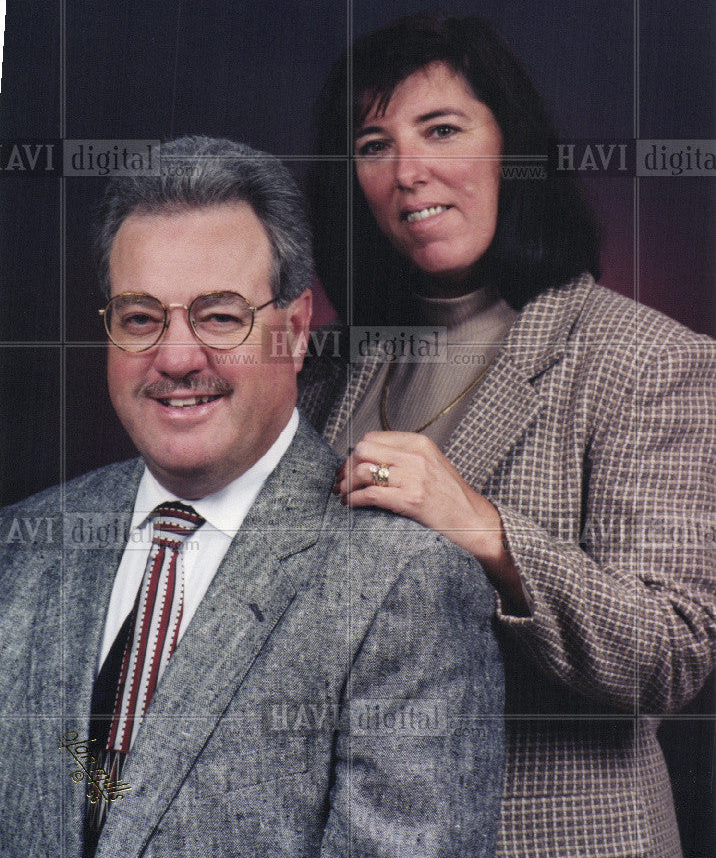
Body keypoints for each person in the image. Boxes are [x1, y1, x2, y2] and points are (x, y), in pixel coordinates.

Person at [0, 136, 505, 858]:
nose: (176, 359)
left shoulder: (406, 581)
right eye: (141, 318)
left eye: (220, 315)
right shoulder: (21, 546)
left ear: (295, 331)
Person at [299, 13, 716, 858]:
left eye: (442, 129)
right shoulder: (330, 369)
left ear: (511, 150)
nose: (409, 172)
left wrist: (480, 527)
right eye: (374, 145)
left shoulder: (644, 358)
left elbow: (670, 655)